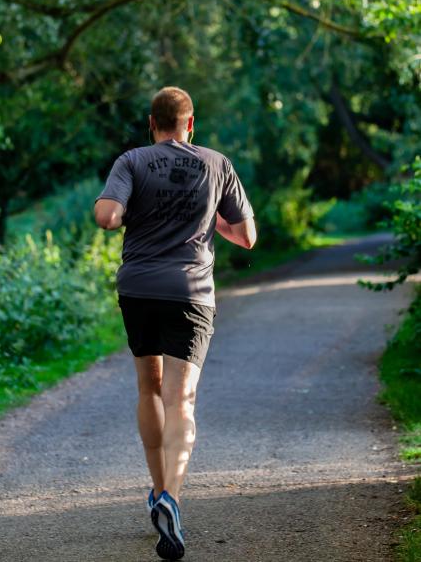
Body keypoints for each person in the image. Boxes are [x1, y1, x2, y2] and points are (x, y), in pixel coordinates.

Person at [94, 86, 256, 560]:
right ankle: (172, 498)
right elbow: (246, 236)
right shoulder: (217, 163)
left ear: (152, 122)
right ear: (191, 122)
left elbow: (107, 215)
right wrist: (215, 227)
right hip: (191, 293)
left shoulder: (132, 161)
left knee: (150, 388)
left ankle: (156, 488)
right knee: (181, 396)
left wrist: (119, 212)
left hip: (139, 288)